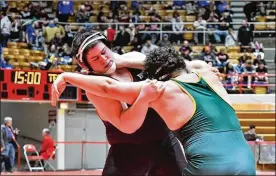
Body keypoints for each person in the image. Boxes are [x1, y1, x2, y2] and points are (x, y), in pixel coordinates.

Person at [52, 46, 256, 175]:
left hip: (208, 165)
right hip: (245, 161)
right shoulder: (207, 74)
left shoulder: (162, 90)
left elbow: (109, 87)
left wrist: (67, 77)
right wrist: (120, 61)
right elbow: (193, 63)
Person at [59, 31, 188, 176]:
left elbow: (172, 66)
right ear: (86, 65)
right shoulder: (94, 88)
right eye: (95, 58)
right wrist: (143, 98)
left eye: (104, 52)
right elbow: (127, 126)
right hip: (128, 149)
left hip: (163, 140)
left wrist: (122, 60)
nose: (103, 59)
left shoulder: (132, 58)